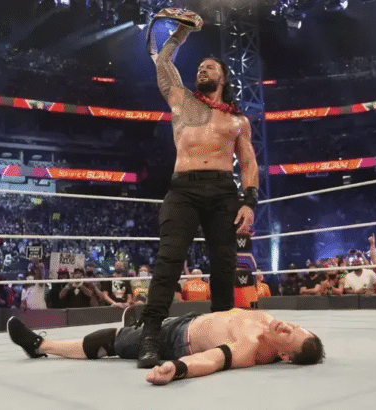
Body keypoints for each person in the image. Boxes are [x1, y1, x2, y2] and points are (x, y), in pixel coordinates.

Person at [139, 11, 260, 368]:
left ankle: (220, 332)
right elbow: (163, 62)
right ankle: (150, 335)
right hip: (183, 190)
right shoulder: (181, 100)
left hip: (223, 191)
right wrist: (181, 32)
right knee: (169, 261)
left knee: (223, 265)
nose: (202, 70)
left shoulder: (238, 120)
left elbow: (249, 164)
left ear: (223, 77)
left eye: (210, 67)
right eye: (200, 68)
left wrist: (249, 203)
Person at [7, 308, 324, 385]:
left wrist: (178, 368)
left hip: (176, 341)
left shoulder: (248, 348)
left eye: (290, 335)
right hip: (190, 319)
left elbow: (212, 360)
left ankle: (40, 345)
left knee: (109, 341)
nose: (287, 325)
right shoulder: (268, 319)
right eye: (295, 326)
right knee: (143, 323)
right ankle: (138, 323)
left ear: (284, 355)